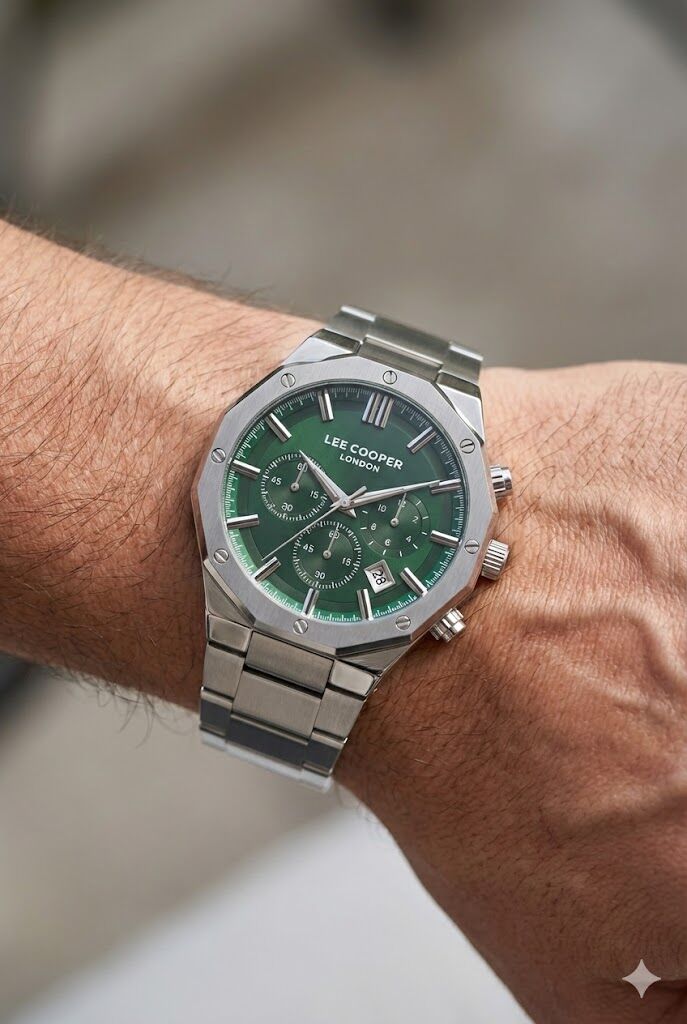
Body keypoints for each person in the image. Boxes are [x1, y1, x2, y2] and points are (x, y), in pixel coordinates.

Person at [1, 219, 685, 1023]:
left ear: (481, 553)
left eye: (364, 501)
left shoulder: (451, 553)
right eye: (335, 491)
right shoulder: (261, 468)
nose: (349, 504)